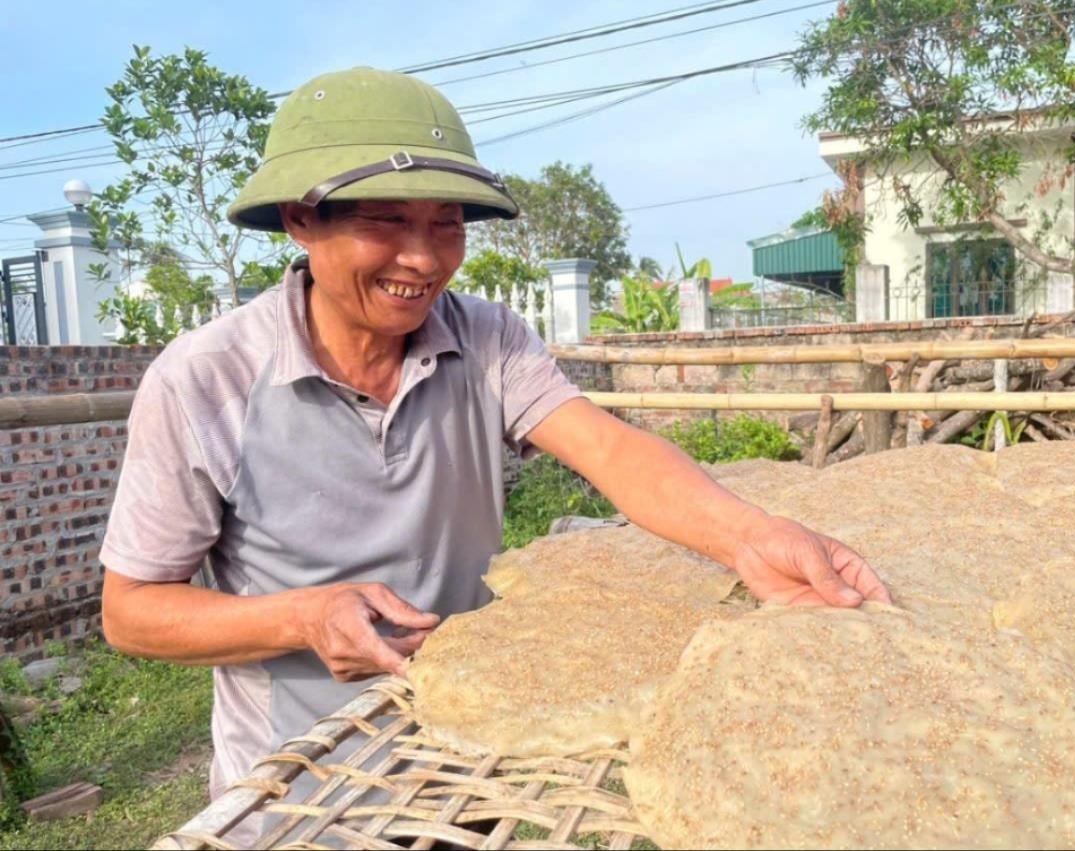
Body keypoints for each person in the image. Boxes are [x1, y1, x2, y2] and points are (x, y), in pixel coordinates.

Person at [100, 66, 890, 837]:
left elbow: (609, 450)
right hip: (301, 798)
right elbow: (131, 611)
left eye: (446, 222)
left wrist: (754, 537)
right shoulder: (204, 382)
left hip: (464, 769)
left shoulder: (487, 339)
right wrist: (306, 617)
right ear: (299, 220)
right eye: (385, 220)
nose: (424, 258)